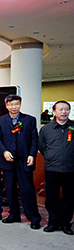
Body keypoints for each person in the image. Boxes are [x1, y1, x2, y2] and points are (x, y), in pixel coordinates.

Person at [0, 94, 42, 230]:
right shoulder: (1, 121)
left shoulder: (29, 120)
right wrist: (4, 152)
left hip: (24, 160)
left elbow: (34, 139)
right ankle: (14, 214)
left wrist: (32, 154)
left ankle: (34, 218)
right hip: (8, 160)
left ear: (20, 105)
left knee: (27, 190)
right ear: (7, 106)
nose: (14, 107)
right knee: (10, 189)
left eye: (17, 104)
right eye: (11, 104)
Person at [38, 101, 74, 235]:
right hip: (52, 168)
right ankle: (53, 222)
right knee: (51, 198)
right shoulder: (46, 129)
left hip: (71, 169)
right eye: (61, 109)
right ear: (54, 111)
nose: (64, 112)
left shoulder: (73, 127)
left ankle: (66, 224)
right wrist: (50, 157)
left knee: (69, 198)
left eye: (67, 109)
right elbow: (41, 146)